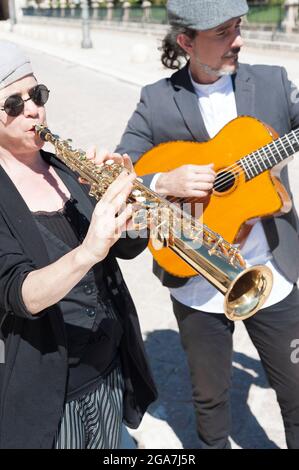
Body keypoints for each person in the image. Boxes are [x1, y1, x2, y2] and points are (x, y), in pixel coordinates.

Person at [116, 0, 299, 449]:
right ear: (186, 42)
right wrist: (164, 180)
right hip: (198, 281)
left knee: (297, 396)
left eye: (237, 27)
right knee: (210, 402)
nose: (237, 39)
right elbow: (120, 174)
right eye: (222, 33)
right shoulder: (157, 99)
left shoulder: (274, 82)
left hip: (272, 271)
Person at [0, 40, 157, 449]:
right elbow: (21, 294)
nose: (32, 109)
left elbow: (124, 249)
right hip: (51, 394)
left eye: (37, 95)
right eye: (13, 104)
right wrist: (88, 249)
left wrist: (131, 202)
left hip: (107, 373)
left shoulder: (64, 166)